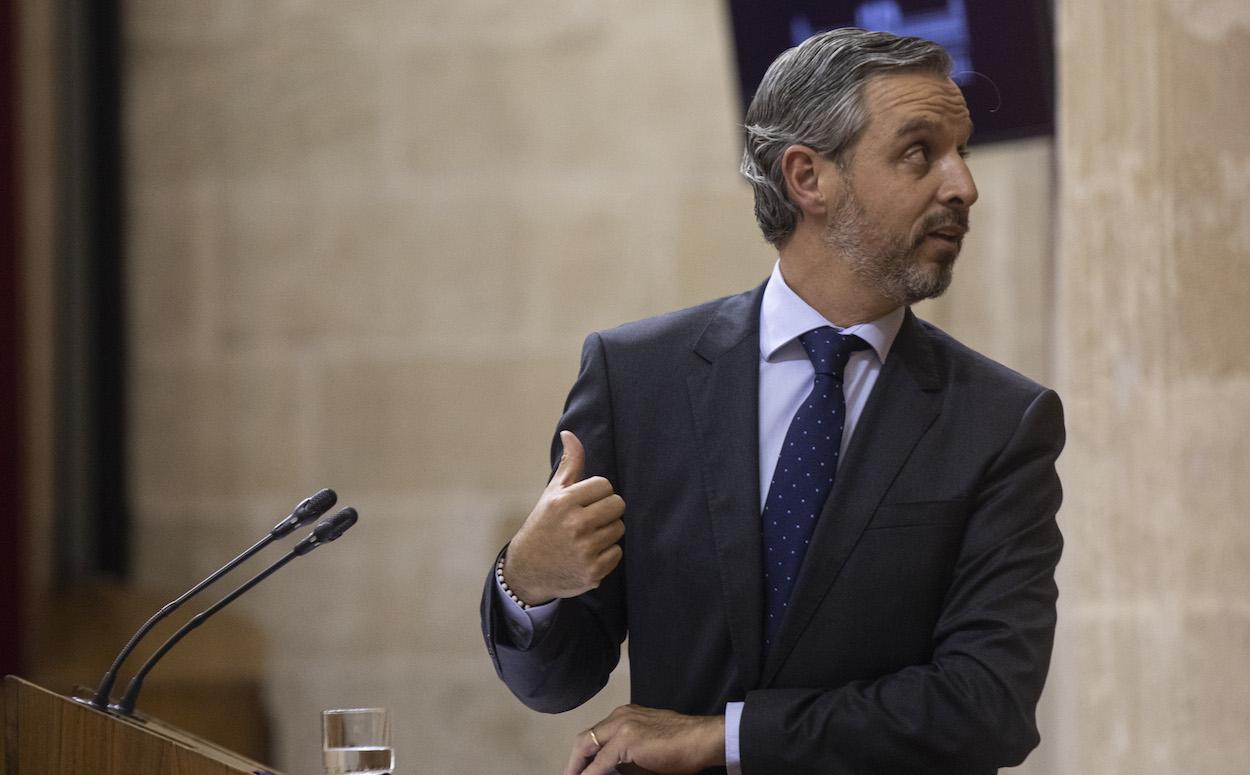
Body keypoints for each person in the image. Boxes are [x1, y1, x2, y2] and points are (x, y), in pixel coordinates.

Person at [480, 27, 1064, 775]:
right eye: (921, 152)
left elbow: (987, 708)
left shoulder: (1002, 421)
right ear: (808, 177)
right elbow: (557, 679)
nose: (962, 185)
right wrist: (526, 582)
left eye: (963, 152)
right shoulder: (636, 379)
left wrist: (723, 737)